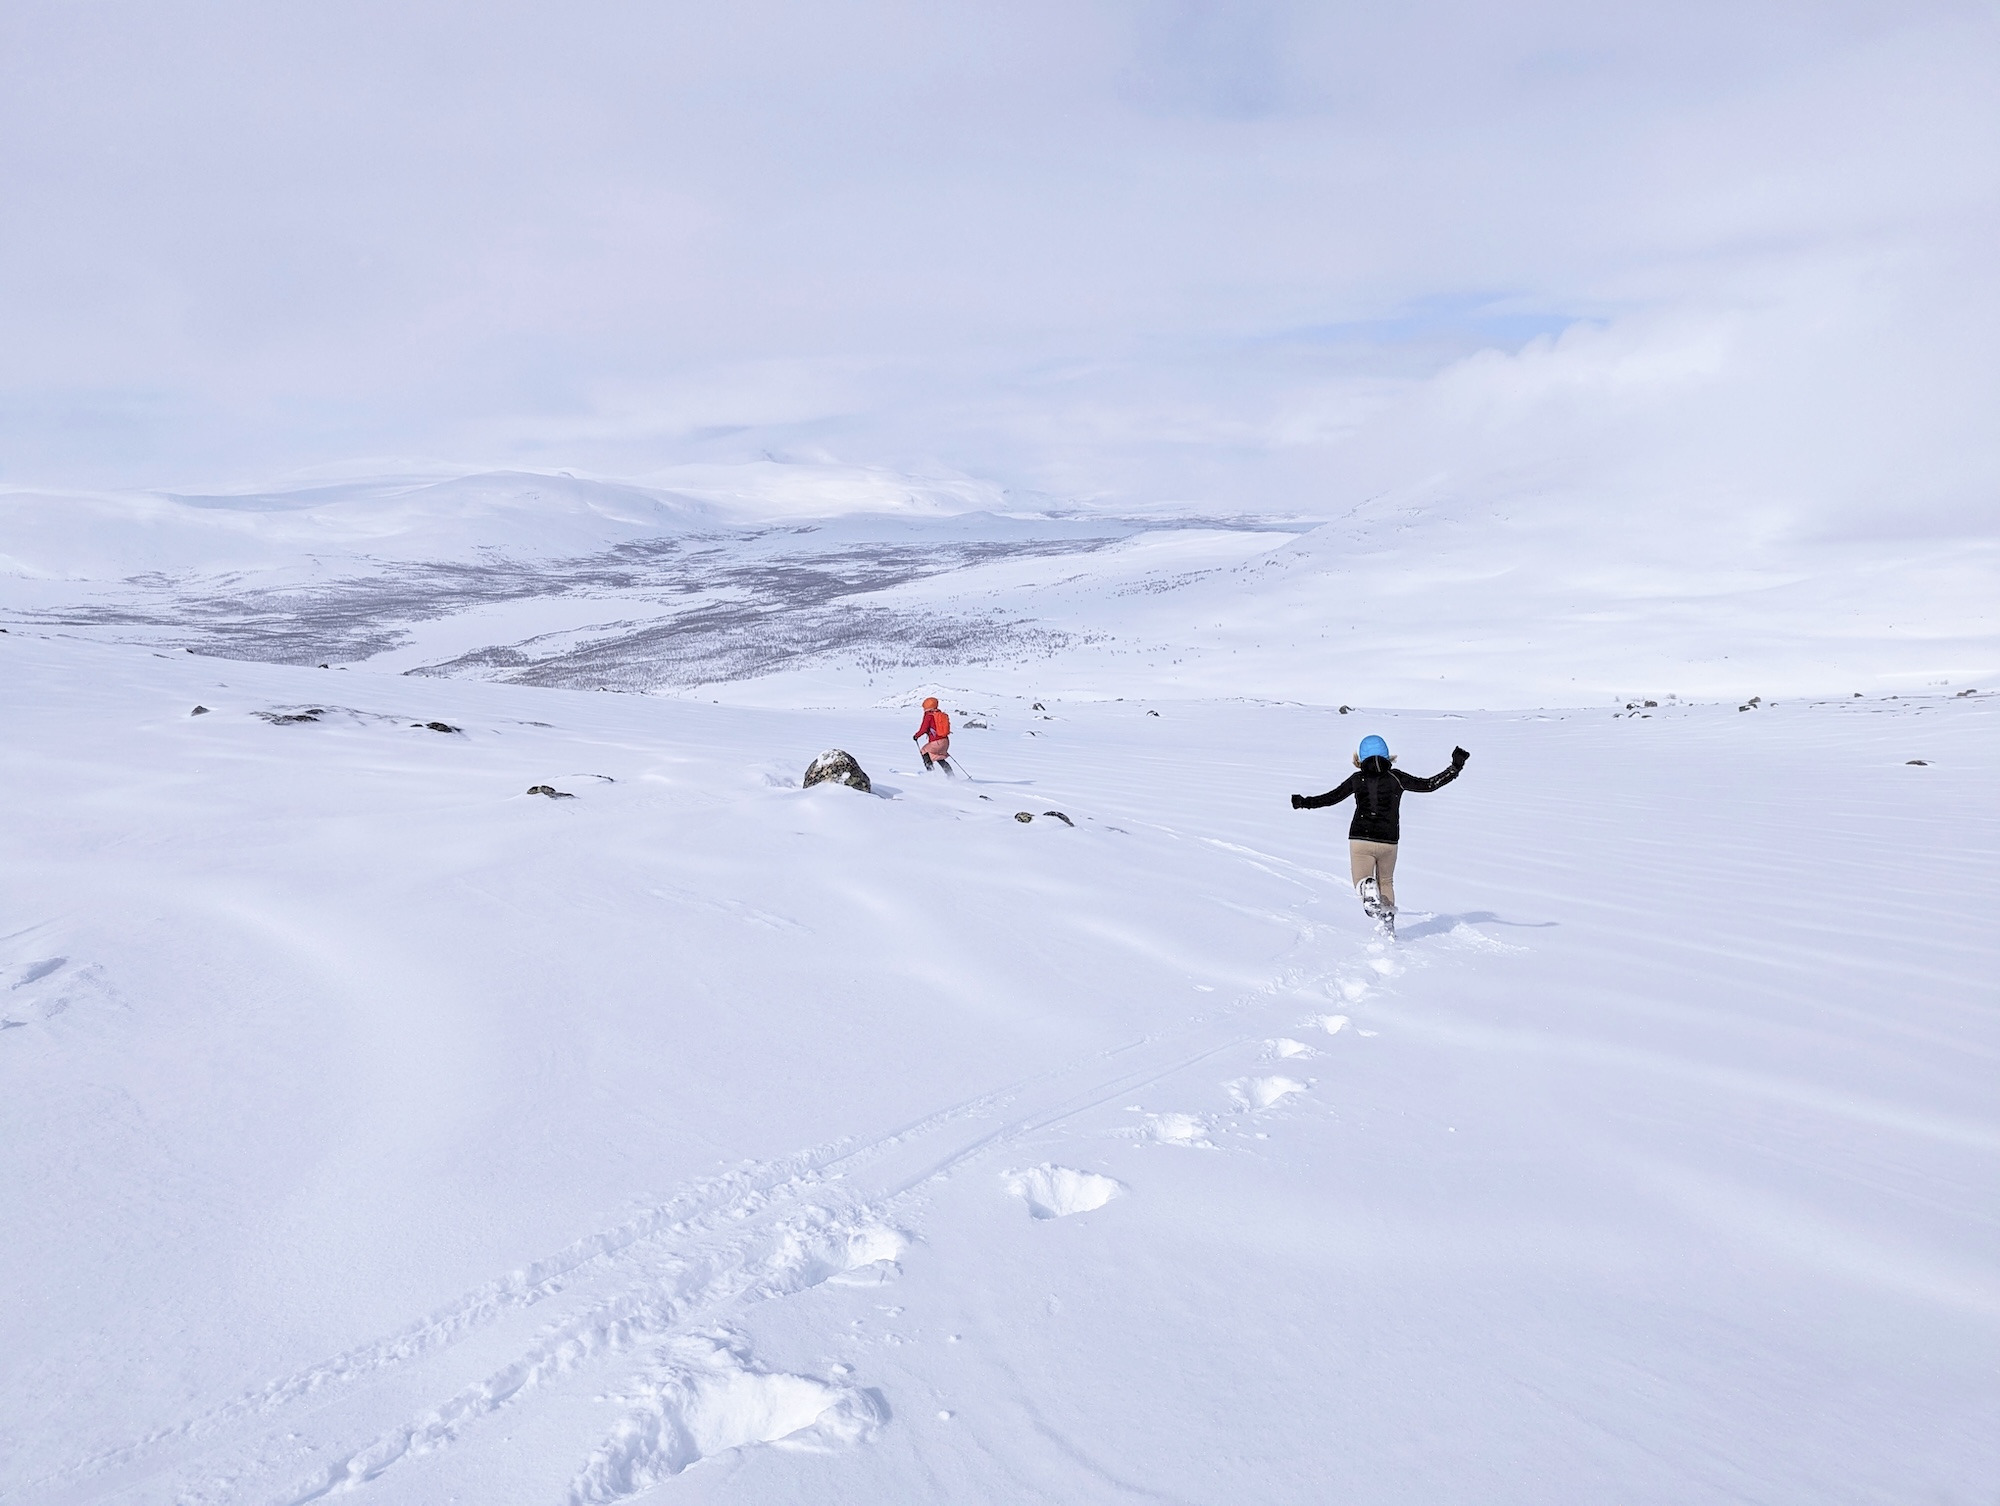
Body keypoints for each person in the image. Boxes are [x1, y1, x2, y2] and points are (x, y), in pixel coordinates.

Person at [1290, 734, 1468, 937]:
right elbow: (1429, 784)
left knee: (1361, 882)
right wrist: (1455, 767)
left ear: (1360, 757)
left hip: (1361, 839)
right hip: (1388, 841)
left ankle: (1367, 887)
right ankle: (1388, 924)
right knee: (1386, 882)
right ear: (1386, 755)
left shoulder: (1357, 779)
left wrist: (1304, 802)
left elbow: (1331, 798)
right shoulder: (1396, 778)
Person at [913, 696, 954, 774]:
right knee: (939, 757)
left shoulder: (928, 715)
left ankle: (930, 773)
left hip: (936, 742)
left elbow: (923, 729)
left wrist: (916, 736)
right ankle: (951, 775)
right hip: (945, 741)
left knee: (924, 751)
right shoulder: (939, 714)